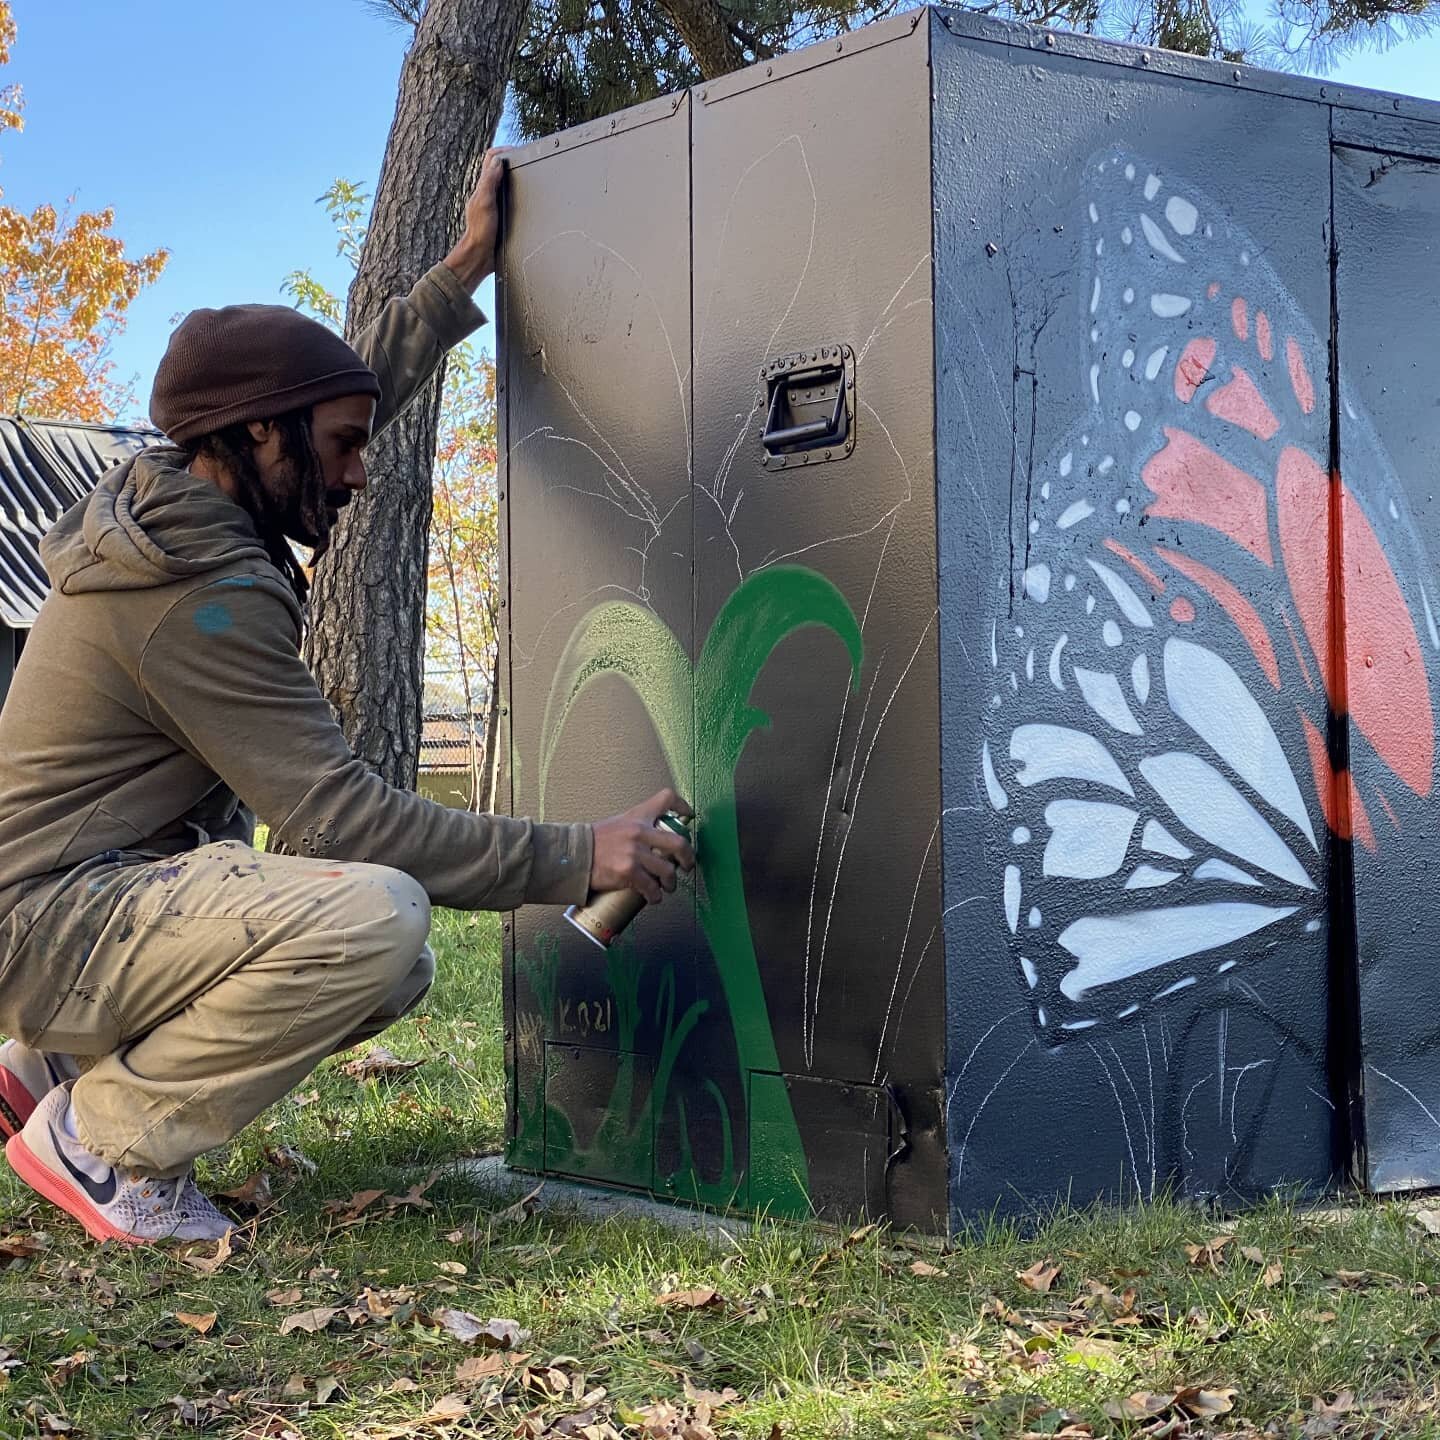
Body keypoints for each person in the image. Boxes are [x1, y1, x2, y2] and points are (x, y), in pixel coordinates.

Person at [0, 150, 694, 1245]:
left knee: (397, 955)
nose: (362, 473)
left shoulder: (178, 504)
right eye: (343, 448)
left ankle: (53, 1061)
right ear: (257, 437)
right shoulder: (201, 597)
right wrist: (578, 854)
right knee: (376, 916)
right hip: (43, 921)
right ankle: (102, 1137)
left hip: (63, 900)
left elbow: (331, 393)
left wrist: (456, 277)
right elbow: (347, 819)